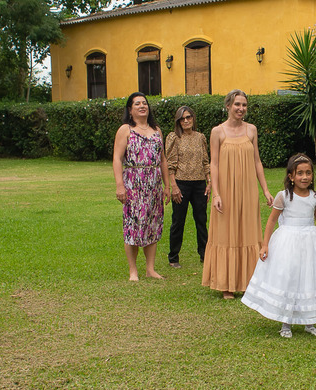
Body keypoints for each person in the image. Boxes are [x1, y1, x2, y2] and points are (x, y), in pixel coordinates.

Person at [242, 154, 316, 337]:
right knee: (289, 277)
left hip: (310, 243)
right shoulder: (284, 196)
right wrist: (265, 245)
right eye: (300, 173)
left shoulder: (315, 197)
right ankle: (286, 323)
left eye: (308, 173)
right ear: (291, 176)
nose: (304, 177)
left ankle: (309, 322)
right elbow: (271, 221)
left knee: (310, 279)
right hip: (287, 242)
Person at [202, 89, 274, 299]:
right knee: (226, 232)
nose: (241, 109)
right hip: (225, 190)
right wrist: (216, 193)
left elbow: (257, 161)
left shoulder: (252, 130)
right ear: (228, 106)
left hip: (248, 189)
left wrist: (266, 190)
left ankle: (250, 281)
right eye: (237, 105)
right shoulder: (217, 132)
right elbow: (213, 164)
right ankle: (227, 284)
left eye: (244, 105)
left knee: (249, 231)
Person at [112, 92, 171, 281]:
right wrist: (120, 185)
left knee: (152, 224)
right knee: (133, 225)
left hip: (153, 184)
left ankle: (150, 269)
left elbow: (163, 160)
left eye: (144, 103)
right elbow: (117, 158)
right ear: (130, 110)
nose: (142, 106)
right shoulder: (125, 130)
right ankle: (133, 270)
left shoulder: (157, 130)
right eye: (137, 104)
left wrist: (167, 186)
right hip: (133, 183)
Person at [165, 105, 210, 268]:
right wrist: (174, 186)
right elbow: (170, 164)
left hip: (199, 184)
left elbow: (206, 161)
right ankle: (173, 257)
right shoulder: (174, 138)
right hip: (181, 184)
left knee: (201, 220)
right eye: (182, 118)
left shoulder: (200, 137)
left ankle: (204, 253)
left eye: (189, 117)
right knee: (178, 221)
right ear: (178, 121)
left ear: (193, 118)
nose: (186, 120)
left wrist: (209, 182)